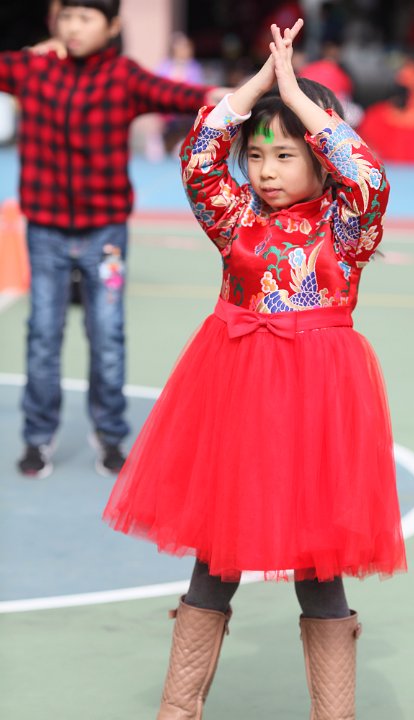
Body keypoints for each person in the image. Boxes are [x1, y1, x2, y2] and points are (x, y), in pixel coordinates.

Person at [103, 18, 407, 719]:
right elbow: (200, 156)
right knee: (216, 558)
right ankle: (179, 708)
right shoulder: (234, 218)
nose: (266, 171)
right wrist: (259, 87)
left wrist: (299, 97)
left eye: (286, 155)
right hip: (238, 398)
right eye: (258, 155)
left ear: (320, 159)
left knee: (319, 571)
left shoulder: (345, 228)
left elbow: (368, 174)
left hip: (318, 406)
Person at [0, 0, 219, 479]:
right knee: (42, 335)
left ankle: (110, 435)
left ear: (113, 25)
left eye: (86, 17)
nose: (74, 27)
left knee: (108, 336)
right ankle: (37, 437)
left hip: (106, 235)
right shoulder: (32, 69)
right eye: (67, 16)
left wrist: (242, 92)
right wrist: (32, 51)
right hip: (45, 232)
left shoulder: (123, 77)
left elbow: (184, 94)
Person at [146, 32, 205, 161]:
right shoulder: (165, 66)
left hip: (185, 108)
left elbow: (197, 89)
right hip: (167, 107)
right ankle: (157, 140)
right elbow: (157, 86)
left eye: (185, 47)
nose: (183, 50)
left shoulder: (194, 68)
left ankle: (183, 143)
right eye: (180, 47)